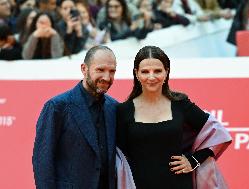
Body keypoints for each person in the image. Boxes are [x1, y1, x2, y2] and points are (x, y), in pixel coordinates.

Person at [116, 45, 232, 189]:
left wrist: (194, 160)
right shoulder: (123, 111)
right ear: (136, 73)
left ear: (167, 72)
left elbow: (218, 134)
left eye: (157, 71)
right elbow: (118, 158)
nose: (151, 77)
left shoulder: (180, 104)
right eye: (145, 71)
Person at [32, 45, 118, 189]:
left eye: (112, 71)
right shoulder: (57, 107)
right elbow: (43, 162)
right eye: (100, 70)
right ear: (84, 69)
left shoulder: (114, 107)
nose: (107, 77)